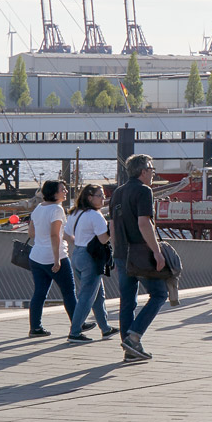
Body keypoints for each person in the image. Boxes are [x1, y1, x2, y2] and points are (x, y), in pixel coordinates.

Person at [110, 152, 170, 364]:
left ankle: (130, 349)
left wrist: (116, 252)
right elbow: (144, 223)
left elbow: (112, 226)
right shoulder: (144, 191)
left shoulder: (118, 192)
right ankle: (134, 337)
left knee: (127, 301)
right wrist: (156, 251)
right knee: (159, 293)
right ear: (143, 171)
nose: (153, 173)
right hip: (139, 253)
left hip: (122, 254)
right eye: (151, 169)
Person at [65, 183, 115, 344]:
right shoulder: (95, 215)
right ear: (90, 197)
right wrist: (112, 228)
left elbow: (66, 235)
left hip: (78, 254)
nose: (103, 198)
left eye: (103, 195)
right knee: (86, 296)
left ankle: (105, 328)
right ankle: (75, 332)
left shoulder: (76, 213)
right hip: (90, 258)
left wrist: (81, 242)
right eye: (100, 195)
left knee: (98, 294)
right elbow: (103, 239)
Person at [25, 179, 76, 337]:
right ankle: (77, 323)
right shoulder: (57, 209)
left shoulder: (38, 208)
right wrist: (56, 259)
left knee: (39, 293)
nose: (66, 191)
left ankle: (35, 327)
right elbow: (55, 235)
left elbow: (31, 233)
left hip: (36, 256)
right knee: (68, 291)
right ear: (54, 193)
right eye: (63, 189)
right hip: (54, 255)